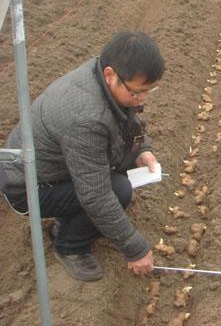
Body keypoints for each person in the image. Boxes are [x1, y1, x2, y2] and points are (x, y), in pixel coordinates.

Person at [0, 31, 165, 281]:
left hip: (55, 165)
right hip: (27, 187)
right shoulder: (85, 118)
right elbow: (96, 195)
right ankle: (69, 245)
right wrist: (135, 248)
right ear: (110, 75)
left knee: (126, 157)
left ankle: (70, 217)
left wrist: (142, 149)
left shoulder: (101, 73)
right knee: (118, 190)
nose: (141, 99)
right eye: (137, 92)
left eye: (148, 91)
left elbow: (126, 117)